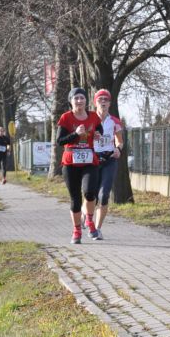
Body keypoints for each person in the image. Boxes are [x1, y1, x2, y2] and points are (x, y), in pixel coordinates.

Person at [56, 87, 103, 244]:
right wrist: (75, 133)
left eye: (82, 98)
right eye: (76, 98)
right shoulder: (66, 117)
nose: (79, 100)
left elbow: (99, 129)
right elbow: (60, 141)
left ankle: (89, 220)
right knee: (75, 199)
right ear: (71, 101)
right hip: (70, 162)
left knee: (90, 193)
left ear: (86, 100)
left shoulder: (93, 116)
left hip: (89, 161)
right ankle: (76, 230)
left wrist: (98, 134)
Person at [91, 89, 124, 240]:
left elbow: (120, 141)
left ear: (110, 103)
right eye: (100, 99)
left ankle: (97, 229)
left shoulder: (115, 121)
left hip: (109, 160)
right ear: (95, 102)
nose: (103, 102)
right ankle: (86, 216)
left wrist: (118, 149)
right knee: (90, 195)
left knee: (104, 195)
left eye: (106, 100)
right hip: (92, 160)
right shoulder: (89, 120)